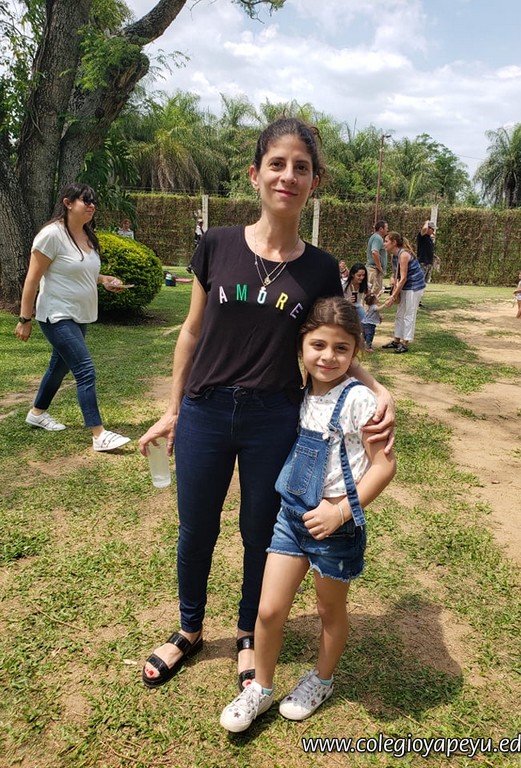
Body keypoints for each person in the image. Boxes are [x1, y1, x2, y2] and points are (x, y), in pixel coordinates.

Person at [138, 117, 395, 692]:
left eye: (301, 167)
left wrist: (377, 388)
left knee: (260, 533)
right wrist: (174, 408)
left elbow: (332, 342)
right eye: (277, 164)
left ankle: (248, 635)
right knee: (195, 528)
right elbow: (191, 331)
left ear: (314, 181)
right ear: (255, 174)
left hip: (274, 418)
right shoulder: (216, 244)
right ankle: (189, 629)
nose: (288, 176)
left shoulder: (321, 268)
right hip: (205, 410)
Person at [219, 297, 396, 732]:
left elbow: (384, 467)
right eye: (318, 345)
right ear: (301, 346)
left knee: (329, 611)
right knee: (268, 610)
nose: (328, 356)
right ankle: (260, 688)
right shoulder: (298, 392)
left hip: (336, 530)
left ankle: (322, 679)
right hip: (291, 519)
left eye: (341, 348)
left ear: (356, 352)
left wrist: (340, 512)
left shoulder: (359, 400)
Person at [15, 183, 132, 451]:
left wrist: (104, 280)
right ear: (68, 203)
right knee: (84, 369)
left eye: (93, 202)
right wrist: (24, 319)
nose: (91, 205)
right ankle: (98, 434)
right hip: (56, 314)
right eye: (85, 200)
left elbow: (82, 271)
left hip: (80, 314)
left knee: (59, 366)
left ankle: (37, 413)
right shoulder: (52, 235)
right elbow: (32, 279)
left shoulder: (87, 235)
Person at [380, 231, 426, 353]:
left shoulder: (404, 255)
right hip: (405, 286)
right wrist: (393, 280)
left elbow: (404, 278)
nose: (384, 244)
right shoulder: (394, 255)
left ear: (394, 243)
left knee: (409, 314)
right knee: (400, 313)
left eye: (386, 241)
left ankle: (405, 343)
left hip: (414, 287)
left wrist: (392, 296)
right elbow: (396, 273)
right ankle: (396, 341)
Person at [366, 220, 388, 296]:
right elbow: (374, 252)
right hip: (374, 270)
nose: (387, 230)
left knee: (375, 294)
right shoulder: (378, 238)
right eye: (386, 228)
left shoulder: (376, 237)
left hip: (374, 270)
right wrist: (379, 267)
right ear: (381, 229)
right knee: (372, 295)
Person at [416, 220, 435, 284]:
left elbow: (429, 250)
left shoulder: (429, 238)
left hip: (429, 263)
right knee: (419, 281)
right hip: (423, 262)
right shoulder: (422, 236)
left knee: (425, 282)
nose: (433, 231)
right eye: (432, 229)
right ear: (428, 228)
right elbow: (424, 229)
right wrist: (427, 222)